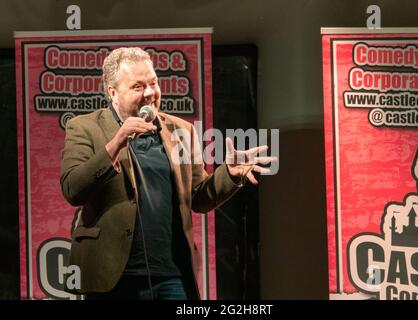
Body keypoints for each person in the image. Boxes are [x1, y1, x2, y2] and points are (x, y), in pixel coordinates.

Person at [60, 47, 275, 300]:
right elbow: (73, 188)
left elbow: (198, 197)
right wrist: (117, 141)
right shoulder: (85, 127)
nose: (150, 93)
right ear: (113, 93)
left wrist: (229, 173)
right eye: (138, 87)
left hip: (172, 274)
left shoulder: (182, 130)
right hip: (113, 276)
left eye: (153, 83)